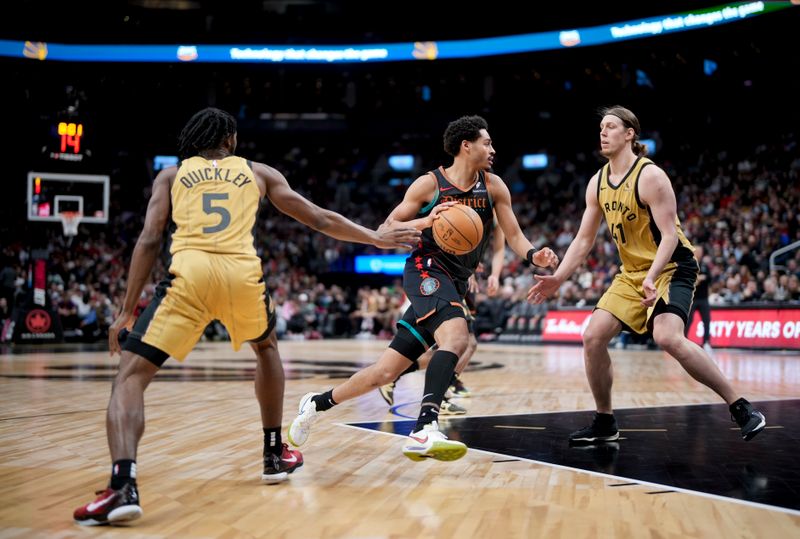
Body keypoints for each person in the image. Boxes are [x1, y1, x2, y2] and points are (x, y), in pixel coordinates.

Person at [73, 107, 420, 526]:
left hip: (190, 274)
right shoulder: (258, 172)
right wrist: (375, 237)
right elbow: (319, 218)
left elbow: (149, 240)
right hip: (242, 274)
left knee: (129, 378)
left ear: (191, 142)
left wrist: (126, 310)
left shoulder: (170, 176)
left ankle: (123, 484)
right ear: (232, 141)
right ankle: (274, 453)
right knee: (266, 346)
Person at [287, 115, 558, 461]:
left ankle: (316, 403)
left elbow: (516, 237)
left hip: (456, 280)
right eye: (487, 142)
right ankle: (424, 428)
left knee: (386, 372)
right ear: (466, 145)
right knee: (457, 338)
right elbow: (387, 228)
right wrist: (426, 221)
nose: (493, 149)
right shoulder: (428, 185)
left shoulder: (494, 187)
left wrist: (536, 255)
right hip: (424, 269)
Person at [528, 105, 766, 445]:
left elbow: (669, 236)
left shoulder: (650, 176)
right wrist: (558, 278)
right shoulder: (596, 183)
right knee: (593, 337)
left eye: (610, 126)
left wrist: (653, 277)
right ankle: (605, 421)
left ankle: (741, 407)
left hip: (671, 266)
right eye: (600, 128)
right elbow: (583, 239)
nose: (603, 132)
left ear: (629, 134)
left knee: (668, 337)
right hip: (633, 272)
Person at [378, 223, 507, 414]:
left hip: (462, 276)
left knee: (460, 345)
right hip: (445, 276)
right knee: (461, 343)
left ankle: (404, 377)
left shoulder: (495, 205)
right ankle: (442, 392)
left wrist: (494, 275)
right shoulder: (460, 198)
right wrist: (462, 263)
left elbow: (499, 247)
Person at [685, 245, 713, 352]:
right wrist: (698, 278)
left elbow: (710, 278)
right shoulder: (689, 264)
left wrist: (704, 277)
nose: (699, 253)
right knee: (688, 321)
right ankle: (684, 340)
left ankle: (706, 342)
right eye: (697, 251)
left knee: (706, 321)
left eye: (701, 251)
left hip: (704, 299)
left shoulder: (705, 266)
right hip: (692, 299)